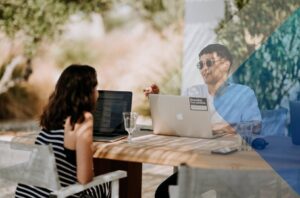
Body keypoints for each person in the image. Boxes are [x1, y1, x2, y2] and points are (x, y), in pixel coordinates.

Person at [144, 44, 262, 198]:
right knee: (163, 193)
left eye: (209, 63)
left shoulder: (243, 93)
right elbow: (176, 122)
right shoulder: (193, 92)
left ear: (226, 65)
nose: (204, 68)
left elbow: (256, 126)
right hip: (197, 165)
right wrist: (157, 99)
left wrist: (219, 127)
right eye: (200, 64)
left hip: (231, 167)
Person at [15, 65, 110, 198]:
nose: (97, 92)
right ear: (86, 93)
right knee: (104, 185)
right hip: (57, 195)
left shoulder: (52, 115)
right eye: (95, 88)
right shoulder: (82, 119)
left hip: (25, 195)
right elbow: (84, 179)